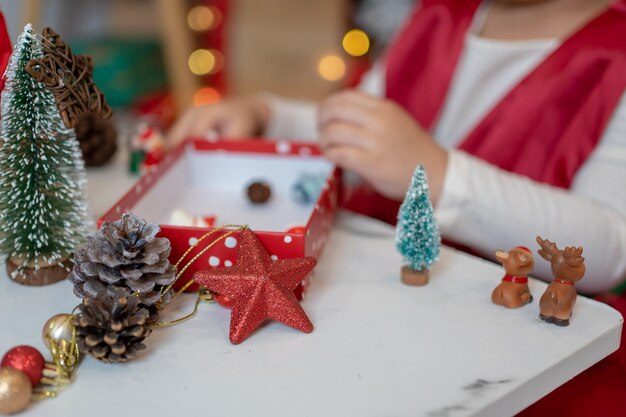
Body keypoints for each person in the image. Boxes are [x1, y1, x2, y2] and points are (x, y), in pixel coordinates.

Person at [170, 1, 626, 413]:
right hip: (371, 315)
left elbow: (609, 249)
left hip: (512, 360)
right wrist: (268, 115)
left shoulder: (615, 54)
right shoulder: (437, 14)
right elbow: (363, 130)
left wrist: (437, 172)